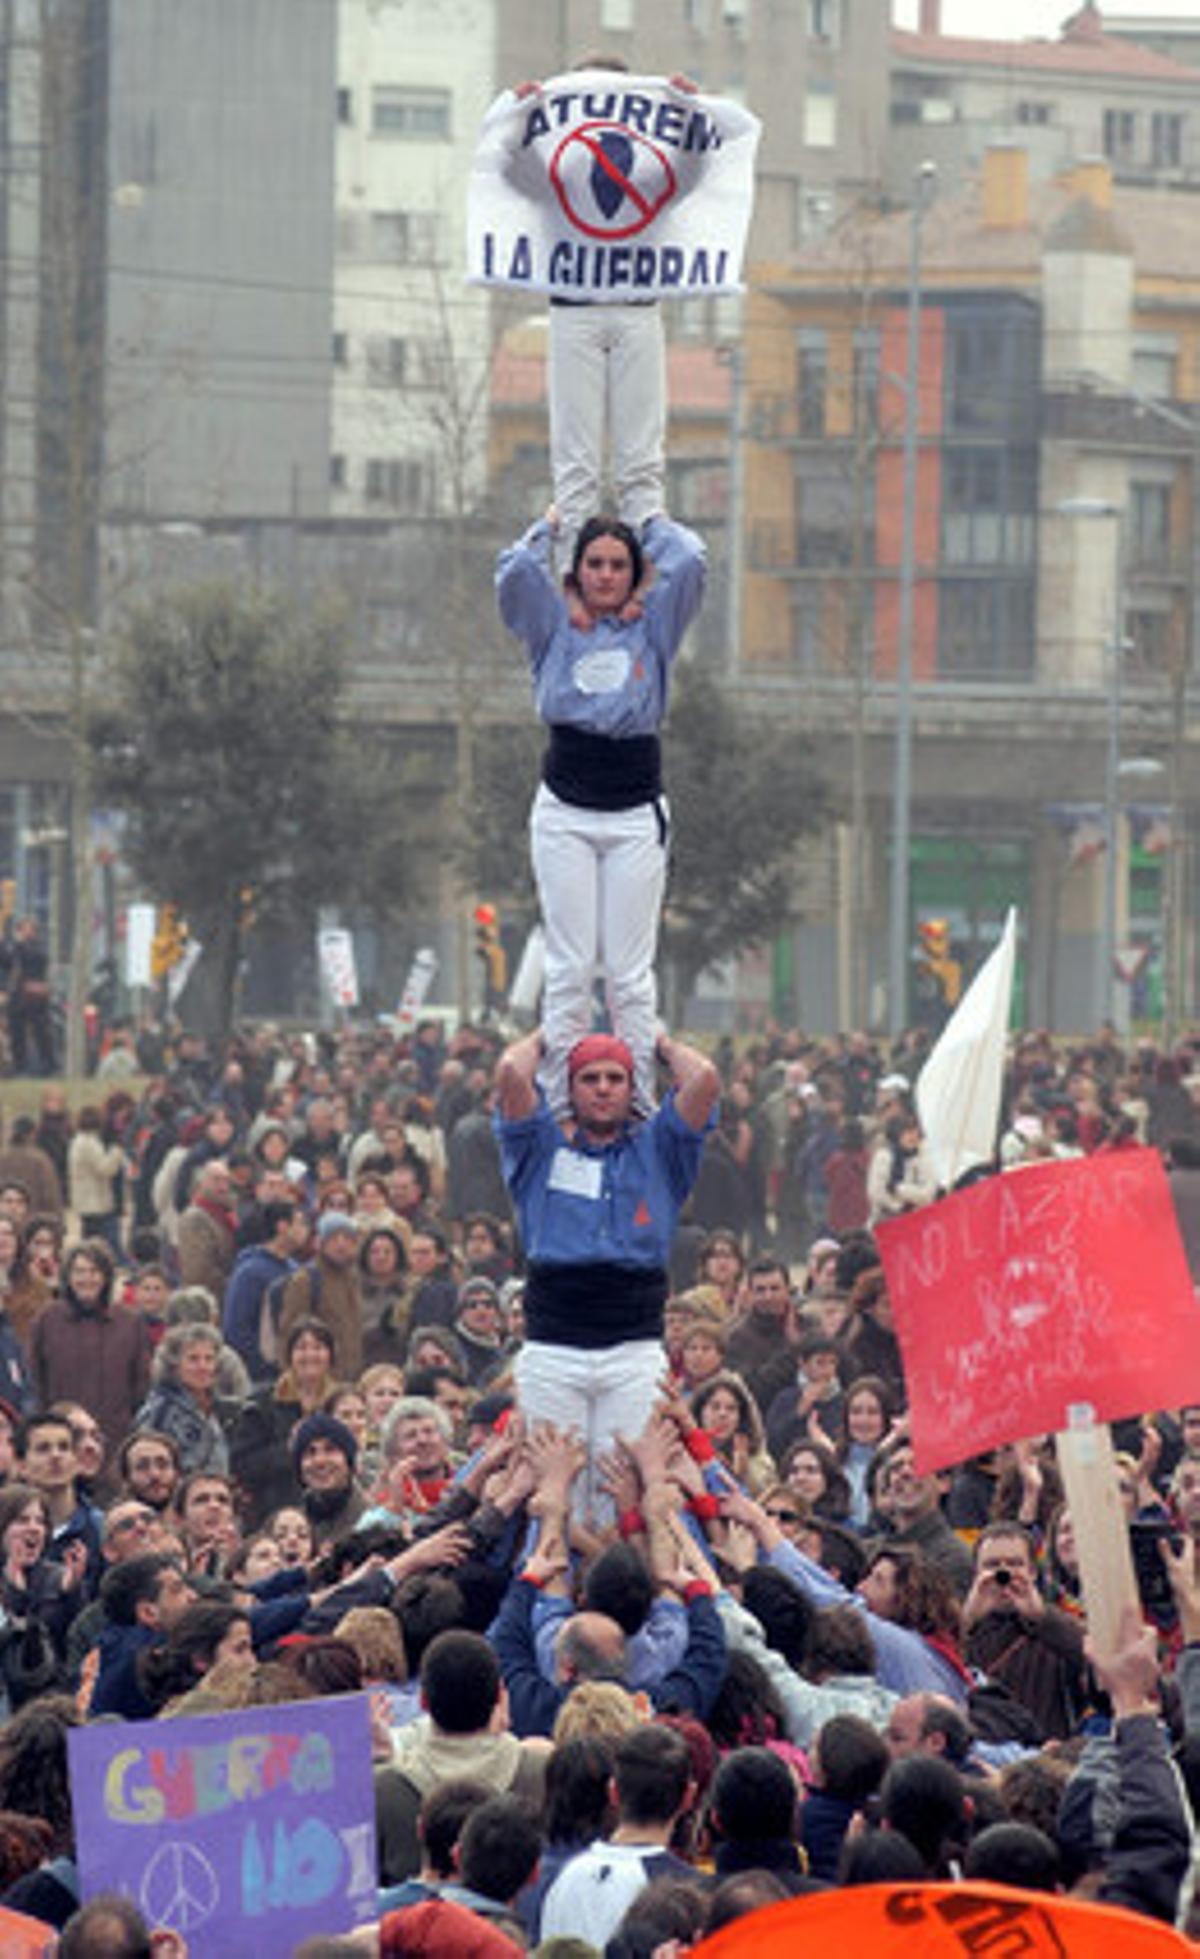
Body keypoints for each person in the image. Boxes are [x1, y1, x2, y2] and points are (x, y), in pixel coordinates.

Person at [496, 506, 706, 1117]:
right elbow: (512, 575)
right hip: (565, 808)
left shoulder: (654, 628)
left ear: (635, 572)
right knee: (568, 967)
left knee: (628, 974)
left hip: (635, 811)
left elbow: (691, 561)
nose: (606, 575)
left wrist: (650, 523)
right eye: (595, 564)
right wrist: (550, 528)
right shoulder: (554, 628)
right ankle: (563, 1102)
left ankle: (635, 1100)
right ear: (577, 571)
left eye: (619, 565)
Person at [495, 1025, 718, 1507]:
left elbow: (704, 1079)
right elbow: (511, 1072)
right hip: (553, 1348)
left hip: (633, 1350)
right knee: (555, 1490)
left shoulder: (660, 1149)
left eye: (615, 1078)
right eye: (589, 1078)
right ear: (569, 1088)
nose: (602, 1088)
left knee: (627, 1483)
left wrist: (658, 1042)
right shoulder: (540, 1148)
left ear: (632, 1088)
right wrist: (547, 1034)